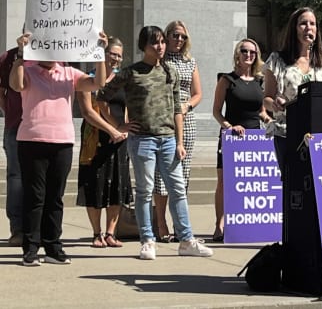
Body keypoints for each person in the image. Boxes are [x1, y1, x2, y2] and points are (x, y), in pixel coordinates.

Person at [98, 26, 212, 260]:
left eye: (161, 42)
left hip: (169, 139)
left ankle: (187, 240)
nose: (160, 47)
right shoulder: (130, 73)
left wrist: (179, 141)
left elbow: (177, 110)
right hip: (142, 140)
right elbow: (101, 97)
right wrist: (118, 126)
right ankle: (147, 241)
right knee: (145, 191)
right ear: (144, 47)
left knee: (178, 189)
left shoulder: (171, 71)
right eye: (154, 43)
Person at [9, 31, 108, 266]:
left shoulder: (69, 73)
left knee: (55, 197)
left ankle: (53, 247)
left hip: (62, 142)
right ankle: (30, 249)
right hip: (32, 140)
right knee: (35, 197)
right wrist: (21, 55)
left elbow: (98, 82)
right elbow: (16, 84)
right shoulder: (29, 71)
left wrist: (99, 53)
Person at [263, 7, 322, 169]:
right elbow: (266, 99)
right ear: (294, 29)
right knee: (293, 186)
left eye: (312, 24)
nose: (308, 27)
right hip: (287, 133)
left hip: (319, 133)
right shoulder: (277, 60)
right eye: (303, 24)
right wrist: (274, 103)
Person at [212, 38, 271, 242]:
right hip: (232, 137)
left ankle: (247, 224)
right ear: (237, 54)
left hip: (254, 139)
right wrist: (228, 127)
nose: (248, 55)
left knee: (251, 183)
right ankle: (220, 224)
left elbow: (261, 111)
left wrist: (270, 121)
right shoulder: (227, 80)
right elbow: (217, 111)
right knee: (224, 182)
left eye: (252, 52)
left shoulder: (260, 81)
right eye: (244, 51)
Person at [76, 37, 131, 248]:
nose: (115, 58)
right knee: (94, 184)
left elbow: (126, 106)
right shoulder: (87, 78)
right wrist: (111, 129)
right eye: (111, 53)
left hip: (119, 137)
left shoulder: (123, 78)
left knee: (118, 184)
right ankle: (96, 232)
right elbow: (88, 111)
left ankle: (110, 232)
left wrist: (123, 128)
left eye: (118, 54)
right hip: (95, 136)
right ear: (102, 54)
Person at [153, 21, 202, 243]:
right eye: (175, 35)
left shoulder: (189, 62)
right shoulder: (158, 61)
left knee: (182, 173)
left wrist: (187, 105)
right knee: (161, 174)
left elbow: (198, 93)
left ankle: (179, 224)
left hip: (186, 118)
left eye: (183, 36)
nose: (179, 40)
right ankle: (160, 223)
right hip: (162, 118)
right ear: (167, 35)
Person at [0, 44, 24, 246]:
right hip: (15, 125)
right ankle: (17, 229)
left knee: (43, 179)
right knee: (16, 177)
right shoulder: (8, 57)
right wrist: (9, 111)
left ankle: (39, 228)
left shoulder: (55, 55)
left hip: (45, 129)